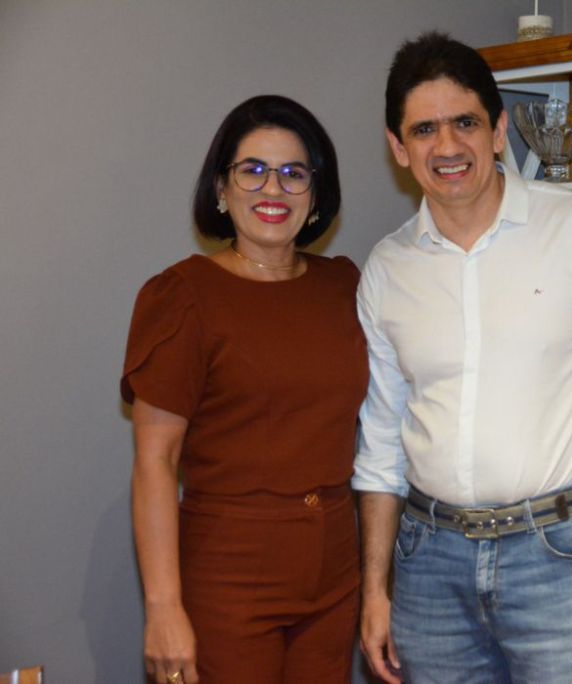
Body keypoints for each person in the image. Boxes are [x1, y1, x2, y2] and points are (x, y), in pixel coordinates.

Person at [354, 31, 572, 683]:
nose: (447, 146)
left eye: (465, 123)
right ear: (398, 147)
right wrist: (375, 588)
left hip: (563, 558)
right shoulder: (388, 267)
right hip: (429, 567)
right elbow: (382, 439)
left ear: (498, 130)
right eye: (424, 130)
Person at [122, 95, 367, 683]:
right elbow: (156, 462)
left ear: (315, 194)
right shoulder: (183, 297)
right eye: (252, 170)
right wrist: (163, 608)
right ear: (220, 188)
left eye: (294, 173)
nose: (273, 189)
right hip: (229, 569)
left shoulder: (345, 286)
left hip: (336, 565)